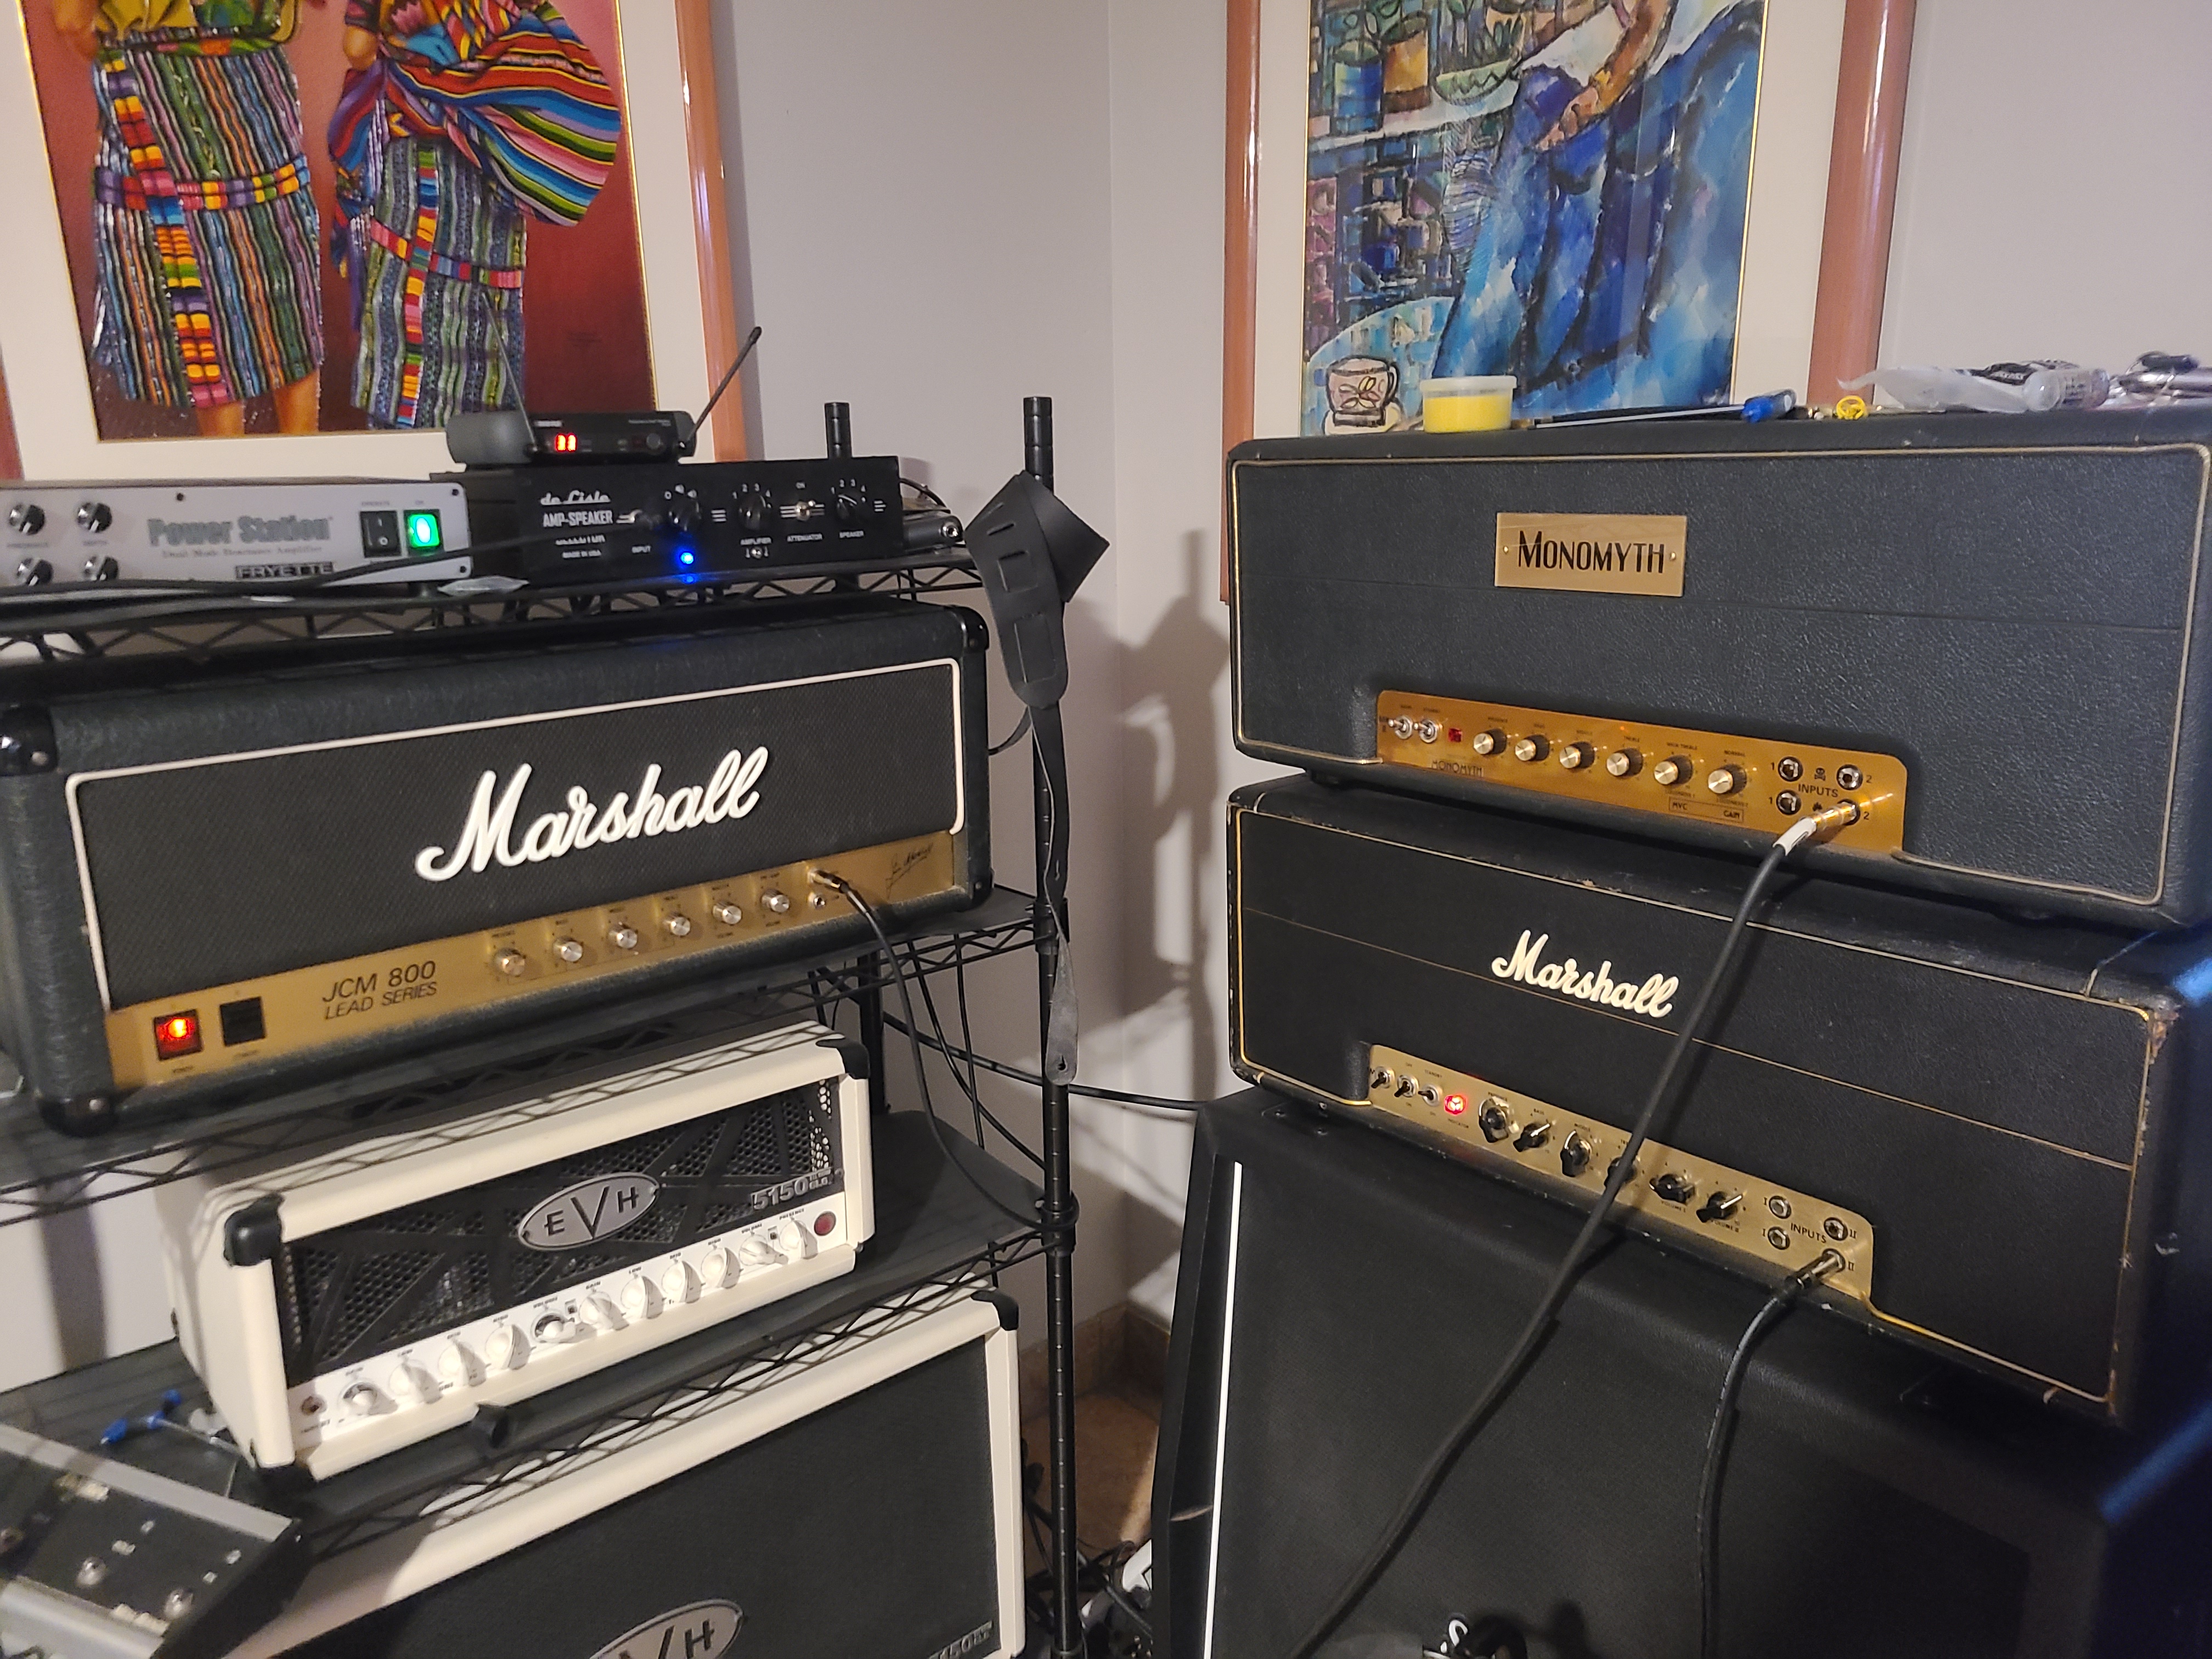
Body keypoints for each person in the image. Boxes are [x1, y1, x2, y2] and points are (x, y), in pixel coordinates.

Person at [1429, 0, 1764, 415]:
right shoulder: (1557, 77)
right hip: (1523, 437)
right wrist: (1444, 422)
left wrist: (1506, 426)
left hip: (1618, 442)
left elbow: (1679, 366)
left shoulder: (1741, 65)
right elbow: (1486, 308)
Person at [329, 0, 619, 429]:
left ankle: (404, 441)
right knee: (490, 344)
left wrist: (406, 50)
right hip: (495, 161)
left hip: (415, 174)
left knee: (405, 347)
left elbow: (357, 48)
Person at [52, 0, 325, 436]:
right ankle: (304, 461)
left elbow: (72, 21)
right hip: (252, 86)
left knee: (201, 299)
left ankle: (232, 468)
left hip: (162, 80)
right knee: (283, 293)